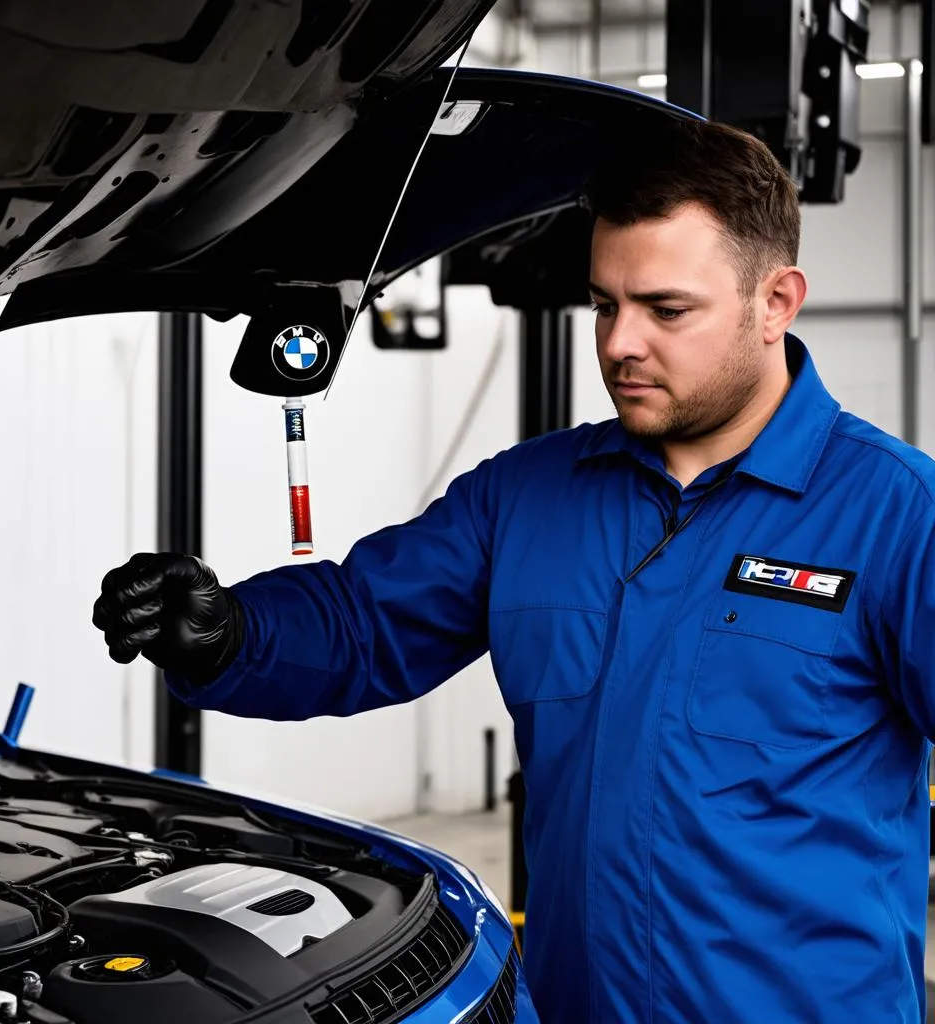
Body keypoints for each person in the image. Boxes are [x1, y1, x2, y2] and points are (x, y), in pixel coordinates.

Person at [92, 119, 935, 1023]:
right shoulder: (528, 494)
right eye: (605, 305)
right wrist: (231, 633)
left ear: (776, 302)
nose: (620, 343)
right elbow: (363, 623)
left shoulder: (895, 513)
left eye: (666, 309)